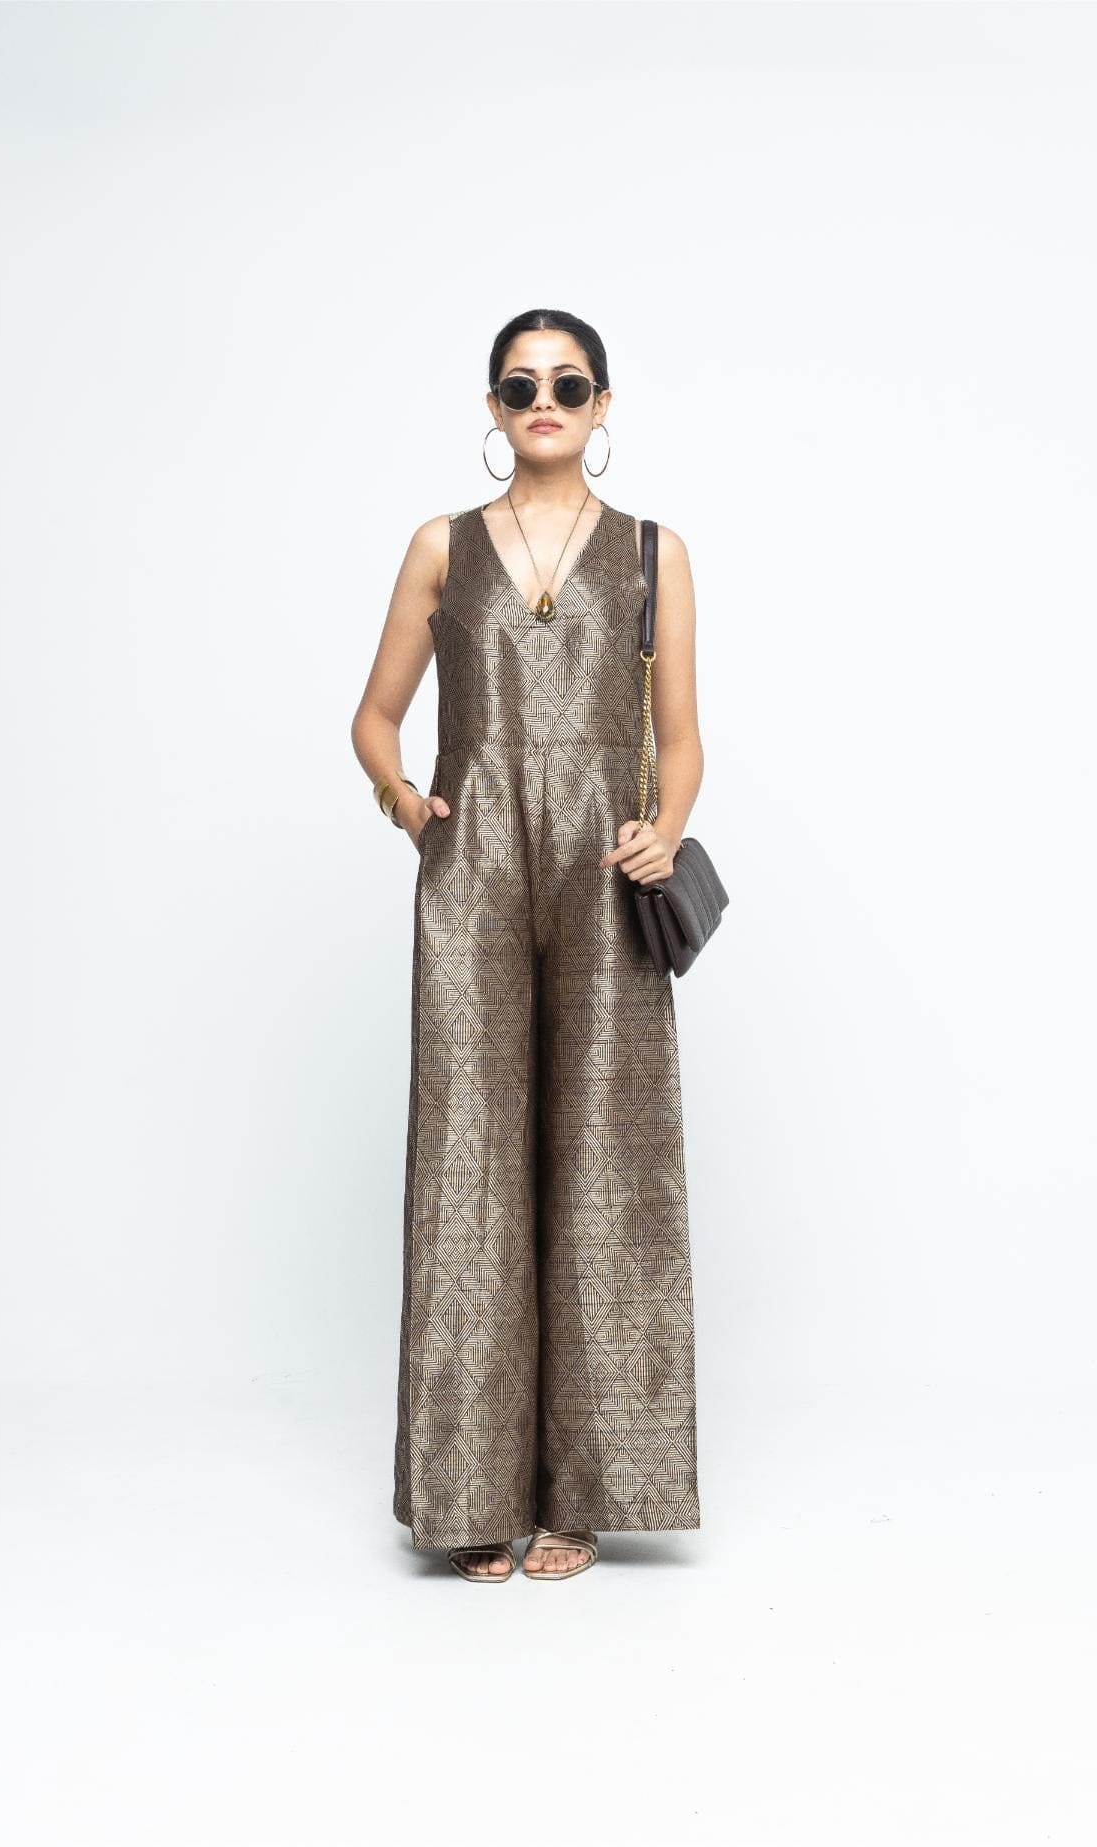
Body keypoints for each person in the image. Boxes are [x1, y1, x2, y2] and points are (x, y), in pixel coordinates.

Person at [352, 308, 704, 1582]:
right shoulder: (440, 546)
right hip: (476, 866)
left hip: (604, 865)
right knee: (468, 1158)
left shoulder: (653, 551)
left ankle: (584, 1497)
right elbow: (375, 716)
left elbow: (681, 738)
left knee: (607, 1165)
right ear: (492, 407)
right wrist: (406, 803)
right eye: (518, 384)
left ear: (602, 405)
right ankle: (470, 1491)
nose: (541, 400)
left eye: (566, 383)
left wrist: (665, 830)